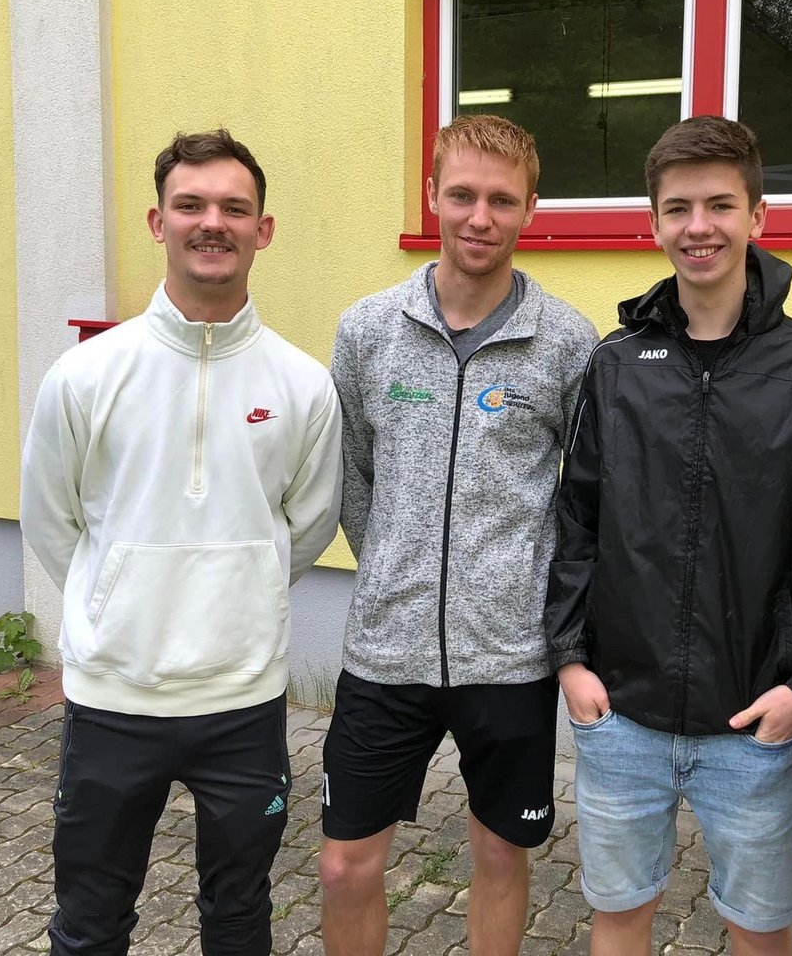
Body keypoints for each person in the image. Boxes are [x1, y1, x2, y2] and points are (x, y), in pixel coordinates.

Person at [21, 129, 343, 956]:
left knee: (238, 918)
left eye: (234, 208)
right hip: (114, 699)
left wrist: (242, 588)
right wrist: (116, 597)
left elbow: (306, 526)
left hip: (242, 703)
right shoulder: (86, 376)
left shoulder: (303, 385)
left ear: (263, 229)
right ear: (157, 222)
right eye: (190, 205)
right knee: (90, 924)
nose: (212, 223)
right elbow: (51, 519)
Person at [545, 115, 792, 956]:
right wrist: (570, 660)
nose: (699, 227)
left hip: (755, 726)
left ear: (759, 215)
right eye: (678, 208)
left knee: (759, 928)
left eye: (720, 205)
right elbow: (577, 520)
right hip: (622, 717)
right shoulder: (615, 364)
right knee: (619, 915)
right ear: (653, 223)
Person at [319, 114, 597, 956]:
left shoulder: (567, 342)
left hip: (509, 657)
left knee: (501, 856)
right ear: (433, 194)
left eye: (502, 200)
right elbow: (349, 472)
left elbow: (582, 498)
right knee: (344, 867)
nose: (481, 217)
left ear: (531, 209)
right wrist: (392, 564)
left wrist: (525, 591)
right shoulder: (369, 329)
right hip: (386, 651)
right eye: (464, 195)